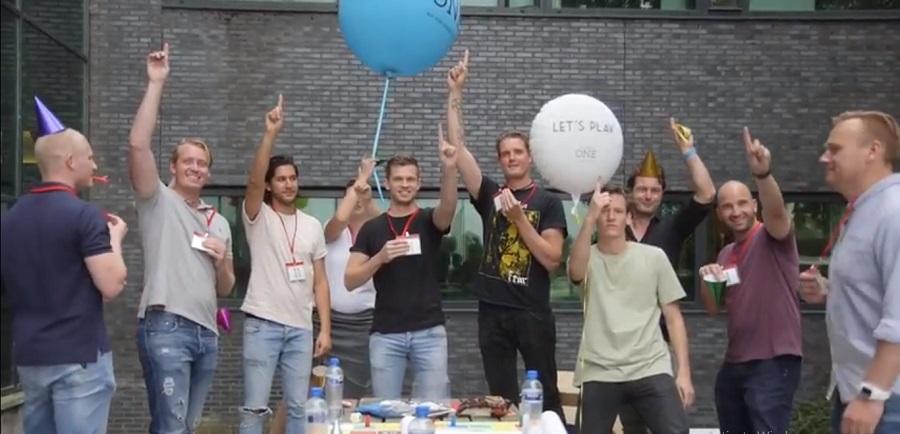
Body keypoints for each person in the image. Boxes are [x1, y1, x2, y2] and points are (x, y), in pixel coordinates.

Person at [446, 49, 568, 421]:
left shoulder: (548, 201)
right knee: (501, 400)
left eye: (517, 152)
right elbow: (459, 151)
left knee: (545, 395)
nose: (511, 157)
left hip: (532, 312)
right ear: (500, 160)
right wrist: (455, 93)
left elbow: (552, 259)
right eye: (505, 154)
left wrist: (519, 220)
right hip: (492, 310)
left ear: (529, 157)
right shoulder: (491, 194)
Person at [0, 100, 128, 434]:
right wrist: (116, 238)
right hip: (79, 356)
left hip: (31, 356)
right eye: (90, 157)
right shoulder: (84, 216)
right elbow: (112, 284)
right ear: (71, 161)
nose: (94, 164)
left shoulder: (11, 218)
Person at [129, 42, 235, 433]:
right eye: (188, 161)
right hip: (166, 326)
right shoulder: (157, 199)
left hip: (207, 333)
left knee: (183, 427)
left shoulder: (218, 222)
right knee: (172, 428)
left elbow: (226, 287)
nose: (195, 168)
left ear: (209, 173)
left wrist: (221, 261)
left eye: (202, 164)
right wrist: (156, 83)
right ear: (172, 167)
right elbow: (138, 145)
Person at [798, 111, 899, 434]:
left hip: (884, 401)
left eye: (835, 149)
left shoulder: (893, 212)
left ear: (873, 150)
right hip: (860, 394)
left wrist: (872, 394)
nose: (824, 158)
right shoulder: (863, 210)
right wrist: (828, 290)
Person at [697, 127, 801, 434]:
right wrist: (707, 279)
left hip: (773, 360)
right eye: (727, 206)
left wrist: (762, 174)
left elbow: (777, 212)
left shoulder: (772, 236)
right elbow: (714, 308)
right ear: (719, 213)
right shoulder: (726, 253)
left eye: (742, 203)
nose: (736, 211)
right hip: (736, 363)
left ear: (754, 205)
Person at [239, 95, 332, 434]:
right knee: (255, 408)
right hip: (263, 323)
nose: (288, 184)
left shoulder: (312, 225)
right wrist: (270, 134)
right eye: (280, 179)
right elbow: (252, 182)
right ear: (269, 184)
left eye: (292, 178)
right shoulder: (258, 215)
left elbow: (320, 281)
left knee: (297, 408)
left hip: (301, 329)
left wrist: (325, 329)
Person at [568, 185, 694, 434]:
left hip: (649, 365)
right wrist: (589, 218)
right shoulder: (585, 256)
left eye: (618, 211)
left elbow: (673, 318)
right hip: (599, 369)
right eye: (604, 211)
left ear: (628, 217)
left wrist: (684, 372)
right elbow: (575, 272)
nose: (611, 216)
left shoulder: (654, 257)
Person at [345, 125, 458, 400]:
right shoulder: (373, 228)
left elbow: (448, 207)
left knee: (433, 410)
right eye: (398, 179)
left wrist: (449, 168)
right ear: (387, 183)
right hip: (386, 334)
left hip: (429, 332)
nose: (405, 184)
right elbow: (350, 280)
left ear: (418, 183)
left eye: (410, 179)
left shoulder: (429, 220)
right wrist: (380, 258)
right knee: (387, 413)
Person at [620, 119, 715, 433]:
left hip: (660, 344)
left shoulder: (671, 229)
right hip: (621, 346)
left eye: (654, 190)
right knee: (632, 427)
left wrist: (688, 151)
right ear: (630, 192)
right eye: (642, 189)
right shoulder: (612, 229)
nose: (648, 195)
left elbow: (706, 193)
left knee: (670, 425)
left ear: (662, 194)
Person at [322, 158, 380, 398]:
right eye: (351, 195)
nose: (356, 200)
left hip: (368, 322)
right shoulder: (331, 229)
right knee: (327, 388)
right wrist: (361, 179)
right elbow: (339, 219)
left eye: (361, 196)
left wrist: (367, 196)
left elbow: (387, 224)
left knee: (363, 388)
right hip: (332, 323)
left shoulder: (377, 231)